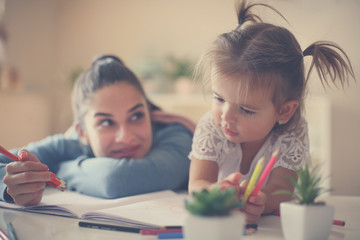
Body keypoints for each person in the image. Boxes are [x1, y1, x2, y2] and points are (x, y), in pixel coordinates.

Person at [188, 1, 355, 224]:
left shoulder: (292, 133)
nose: (225, 116)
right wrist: (214, 193)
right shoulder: (211, 126)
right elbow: (197, 183)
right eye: (219, 98)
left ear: (284, 111)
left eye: (246, 109)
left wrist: (262, 201)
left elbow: (282, 189)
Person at [0, 55, 195, 206]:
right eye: (106, 123)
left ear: (149, 113)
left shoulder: (177, 136)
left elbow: (116, 179)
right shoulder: (70, 143)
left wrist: (58, 171)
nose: (125, 137)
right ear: (82, 132)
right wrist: (11, 184)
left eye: (136, 116)